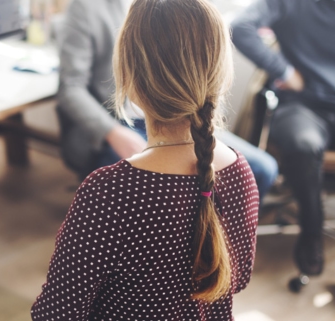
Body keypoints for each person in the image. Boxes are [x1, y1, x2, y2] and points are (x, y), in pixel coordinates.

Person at [32, 0, 259, 319]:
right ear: (223, 75)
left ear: (129, 78)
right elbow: (240, 279)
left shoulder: (108, 192)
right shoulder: (241, 172)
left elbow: (56, 314)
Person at [231, 0, 335, 314]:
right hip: (301, 107)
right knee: (303, 146)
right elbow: (240, 27)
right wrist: (284, 71)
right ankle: (311, 230)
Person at [56, 0, 278, 199]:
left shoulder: (184, 7)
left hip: (186, 115)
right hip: (120, 123)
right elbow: (71, 88)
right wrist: (112, 132)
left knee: (263, 169)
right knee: (141, 186)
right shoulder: (86, 8)